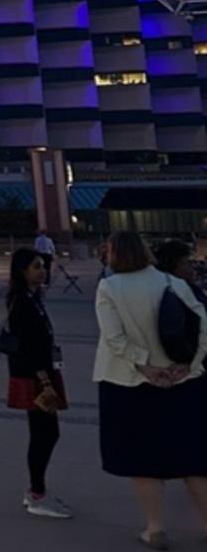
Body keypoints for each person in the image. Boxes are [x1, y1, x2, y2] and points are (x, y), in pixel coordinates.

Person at [95, 230, 207, 549]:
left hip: (128, 383)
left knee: (143, 459)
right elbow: (203, 324)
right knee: (194, 459)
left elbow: (114, 337)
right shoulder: (173, 283)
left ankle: (155, 527)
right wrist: (192, 363)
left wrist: (143, 364)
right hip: (181, 380)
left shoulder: (110, 288)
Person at [5, 247, 71, 519]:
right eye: (36, 266)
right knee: (45, 432)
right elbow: (28, 346)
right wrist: (44, 379)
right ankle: (37, 493)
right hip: (36, 375)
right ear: (22, 271)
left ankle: (37, 490)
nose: (42, 271)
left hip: (40, 372)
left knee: (44, 432)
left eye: (43, 266)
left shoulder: (32, 298)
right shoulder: (22, 302)